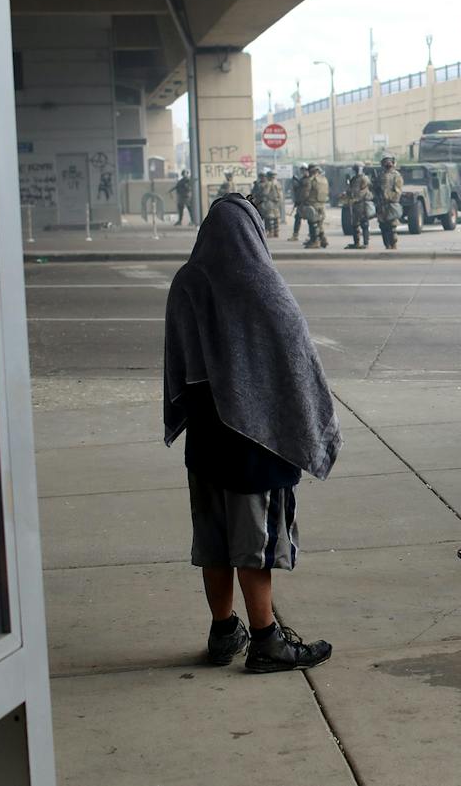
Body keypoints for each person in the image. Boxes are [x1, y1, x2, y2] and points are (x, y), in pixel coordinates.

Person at [164, 192, 338, 672]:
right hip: (254, 439)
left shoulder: (186, 281)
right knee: (255, 542)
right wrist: (312, 421)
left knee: (214, 539)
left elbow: (176, 362)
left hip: (204, 437)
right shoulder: (259, 281)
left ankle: (224, 632)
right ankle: (266, 640)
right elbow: (297, 355)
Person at [375, 155, 403, 250]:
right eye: (386, 161)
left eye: (389, 161)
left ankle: (393, 245)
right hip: (381, 205)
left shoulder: (396, 176)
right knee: (383, 226)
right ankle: (387, 245)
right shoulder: (380, 175)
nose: (388, 163)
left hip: (391, 204)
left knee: (392, 226)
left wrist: (389, 197)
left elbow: (398, 191)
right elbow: (375, 189)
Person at [343, 162, 373, 249]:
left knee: (364, 223)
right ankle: (356, 242)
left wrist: (355, 199)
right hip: (355, 204)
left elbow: (363, 192)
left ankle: (365, 242)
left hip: (362, 203)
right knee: (355, 224)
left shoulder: (364, 179)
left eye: (356, 169)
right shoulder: (354, 179)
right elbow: (351, 190)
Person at [300, 164, 329, 248]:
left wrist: (302, 201)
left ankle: (315, 241)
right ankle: (323, 240)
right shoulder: (324, 180)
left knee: (312, 223)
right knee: (319, 223)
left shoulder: (310, 180)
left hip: (312, 204)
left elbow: (305, 193)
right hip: (322, 204)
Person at [260, 169, 283, 238]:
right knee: (276, 217)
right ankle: (276, 232)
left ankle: (271, 232)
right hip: (277, 202)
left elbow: (265, 193)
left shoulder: (268, 183)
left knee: (269, 217)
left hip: (269, 201)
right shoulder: (278, 183)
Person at [289, 163, 308, 241]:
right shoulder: (302, 179)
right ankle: (295, 235)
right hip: (301, 203)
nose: (303, 171)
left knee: (311, 220)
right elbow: (299, 191)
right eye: (302, 170)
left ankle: (313, 237)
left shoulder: (308, 179)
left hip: (307, 203)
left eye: (304, 170)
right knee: (298, 218)